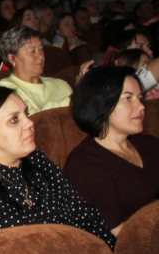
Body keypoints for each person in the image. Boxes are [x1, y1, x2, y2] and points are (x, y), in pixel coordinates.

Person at [0, 86, 116, 250]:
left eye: (26, 114)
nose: (30, 123)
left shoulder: (37, 161)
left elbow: (84, 214)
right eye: (14, 120)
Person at [64, 66, 159, 235]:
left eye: (140, 98)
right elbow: (119, 236)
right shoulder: (84, 165)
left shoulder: (149, 144)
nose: (141, 106)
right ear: (102, 104)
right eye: (128, 98)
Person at [0, 26, 89, 114]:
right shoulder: (7, 88)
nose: (41, 56)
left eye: (41, 49)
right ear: (12, 58)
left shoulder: (61, 84)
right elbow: (36, 120)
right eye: (32, 51)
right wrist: (78, 93)